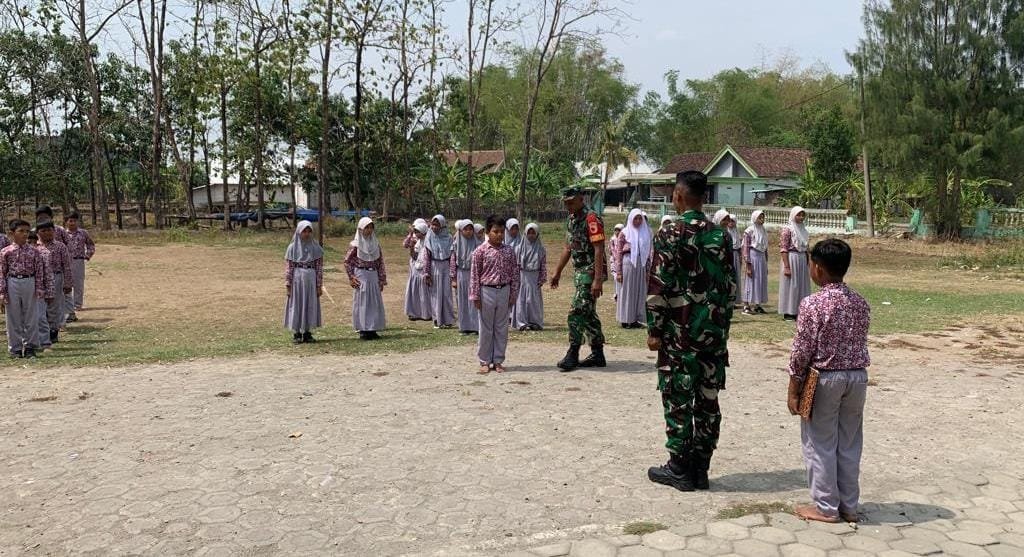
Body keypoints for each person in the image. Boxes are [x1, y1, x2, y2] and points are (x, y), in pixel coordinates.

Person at [646, 171, 736, 492]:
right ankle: (701, 467)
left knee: (678, 397)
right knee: (708, 399)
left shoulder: (671, 233)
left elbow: (659, 283)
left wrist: (654, 329)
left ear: (679, 195)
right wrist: (721, 328)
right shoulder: (720, 236)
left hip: (679, 334)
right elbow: (730, 288)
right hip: (712, 335)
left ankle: (679, 467)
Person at [787, 239, 870, 524]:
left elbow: (801, 350)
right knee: (848, 442)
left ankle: (825, 507)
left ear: (818, 269)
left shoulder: (813, 304)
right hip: (857, 377)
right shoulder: (860, 303)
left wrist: (793, 389)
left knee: (819, 442)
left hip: (824, 378)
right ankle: (849, 505)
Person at [550, 186, 607, 371]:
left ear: (581, 199)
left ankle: (573, 352)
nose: (568, 206)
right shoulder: (572, 219)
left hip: (590, 272)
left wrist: (597, 280)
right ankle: (597, 354)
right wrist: (557, 272)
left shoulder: (591, 219)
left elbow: (599, 249)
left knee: (576, 311)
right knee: (588, 314)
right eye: (565, 203)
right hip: (579, 273)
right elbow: (568, 247)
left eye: (571, 202)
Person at [470, 215, 520, 374]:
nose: (499, 235)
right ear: (488, 232)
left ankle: (498, 360)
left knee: (501, 328)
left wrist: (513, 294)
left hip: (504, 290)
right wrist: (475, 296)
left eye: (501, 232)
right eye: (495, 231)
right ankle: (485, 361)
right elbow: (474, 275)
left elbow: (515, 274)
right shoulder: (480, 251)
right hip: (486, 291)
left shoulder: (509, 251)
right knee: (486, 328)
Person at [1, 220, 46, 358]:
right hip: (13, 281)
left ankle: (30, 347)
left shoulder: (34, 251)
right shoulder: (5, 252)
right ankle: (15, 348)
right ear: (12, 233)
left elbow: (39, 271)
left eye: (27, 231)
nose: (25, 234)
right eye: (21, 231)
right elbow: (2, 272)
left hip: (29, 281)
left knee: (31, 316)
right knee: (13, 316)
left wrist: (39, 288)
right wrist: (2, 292)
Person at [345, 217, 387, 340]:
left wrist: (382, 279)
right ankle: (363, 329)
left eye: (371, 227)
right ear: (360, 229)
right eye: (366, 228)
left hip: (373, 275)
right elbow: (347, 262)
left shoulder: (375, 245)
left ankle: (372, 328)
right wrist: (351, 277)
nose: (369, 230)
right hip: (361, 275)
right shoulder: (355, 245)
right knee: (362, 302)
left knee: (373, 302)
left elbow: (380, 263)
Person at [284, 220, 324, 344]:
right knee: (297, 303)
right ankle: (297, 332)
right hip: (297, 279)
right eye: (304, 231)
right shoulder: (292, 248)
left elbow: (319, 267)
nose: (306, 234)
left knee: (309, 303)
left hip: (311, 278)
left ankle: (307, 332)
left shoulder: (315, 247)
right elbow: (289, 267)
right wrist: (288, 284)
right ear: (298, 232)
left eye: (309, 231)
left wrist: (319, 285)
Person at [36, 221, 72, 347]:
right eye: (43, 231)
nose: (46, 233)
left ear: (54, 231)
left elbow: (67, 266)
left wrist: (68, 283)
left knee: (54, 306)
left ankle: (54, 332)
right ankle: (41, 335)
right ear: (37, 233)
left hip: (56, 277)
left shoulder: (60, 246)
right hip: (39, 280)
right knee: (40, 308)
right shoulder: (34, 246)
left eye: (49, 230)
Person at [616, 208, 652, 329]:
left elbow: (647, 254)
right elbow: (618, 253)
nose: (637, 221)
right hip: (628, 264)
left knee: (639, 292)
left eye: (639, 218)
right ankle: (626, 320)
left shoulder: (645, 233)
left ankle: (636, 318)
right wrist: (619, 272)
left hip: (641, 265)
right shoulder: (625, 233)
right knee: (627, 291)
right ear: (631, 219)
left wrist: (648, 270)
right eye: (635, 218)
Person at [421, 214, 455, 328]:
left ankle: (448, 320)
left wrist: (452, 272)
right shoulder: (429, 237)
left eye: (437, 224)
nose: (434, 227)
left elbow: (452, 256)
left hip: (445, 266)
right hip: (434, 266)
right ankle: (437, 319)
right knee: (435, 294)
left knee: (446, 294)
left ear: (442, 225)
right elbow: (426, 256)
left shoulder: (449, 237)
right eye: (433, 224)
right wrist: (426, 272)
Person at [779, 206, 811, 321]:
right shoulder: (788, 229)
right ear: (793, 215)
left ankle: (799, 310)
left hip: (802, 259)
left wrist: (808, 262)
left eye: (803, 215)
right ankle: (788, 312)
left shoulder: (804, 230)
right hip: (791, 258)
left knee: (802, 285)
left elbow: (806, 248)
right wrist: (787, 266)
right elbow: (783, 248)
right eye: (799, 215)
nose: (801, 217)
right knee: (791, 285)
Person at [513, 223, 546, 331]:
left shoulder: (541, 249)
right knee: (521, 299)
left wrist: (542, 279)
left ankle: (535, 322)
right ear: (525, 234)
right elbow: (516, 266)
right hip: (523, 277)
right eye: (529, 233)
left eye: (533, 233)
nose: (531, 235)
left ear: (537, 234)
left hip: (535, 277)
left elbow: (543, 265)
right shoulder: (519, 248)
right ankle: (522, 322)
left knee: (534, 300)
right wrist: (515, 279)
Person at [451, 219, 482, 335]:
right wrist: (453, 278)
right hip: (461, 274)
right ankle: (464, 327)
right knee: (462, 300)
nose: (468, 232)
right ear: (461, 231)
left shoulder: (478, 244)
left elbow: (481, 261)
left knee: (474, 299)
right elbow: (453, 261)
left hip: (474, 275)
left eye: (470, 229)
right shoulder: (456, 243)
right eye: (465, 229)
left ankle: (475, 326)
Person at [63, 212, 94, 322]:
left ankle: (77, 304)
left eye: (74, 221)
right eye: (70, 221)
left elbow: (90, 244)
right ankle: (67, 306)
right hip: (65, 262)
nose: (72, 223)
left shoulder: (83, 233)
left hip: (78, 260)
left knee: (78, 282)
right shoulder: (62, 233)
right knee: (65, 283)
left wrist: (88, 254)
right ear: (66, 222)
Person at [403, 219, 432, 322]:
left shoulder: (429, 242)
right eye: (415, 232)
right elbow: (414, 255)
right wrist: (411, 247)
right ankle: (415, 312)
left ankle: (426, 313)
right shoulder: (417, 242)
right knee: (416, 291)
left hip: (425, 269)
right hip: (416, 267)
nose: (416, 234)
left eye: (417, 232)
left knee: (424, 292)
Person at [742, 210, 769, 315]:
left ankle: (758, 305)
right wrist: (748, 264)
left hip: (761, 258)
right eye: (759, 217)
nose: (762, 220)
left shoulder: (763, 231)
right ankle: (746, 305)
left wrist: (766, 263)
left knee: (760, 280)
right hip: (753, 257)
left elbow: (765, 248)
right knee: (750, 280)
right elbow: (745, 248)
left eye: (763, 217)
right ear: (754, 218)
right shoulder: (749, 231)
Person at [609, 223, 625, 302]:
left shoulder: (624, 239)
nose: (617, 232)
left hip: (622, 261)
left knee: (622, 278)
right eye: (616, 230)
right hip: (614, 261)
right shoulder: (612, 239)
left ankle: (621, 293)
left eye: (619, 230)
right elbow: (611, 250)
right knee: (616, 278)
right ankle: (616, 293)